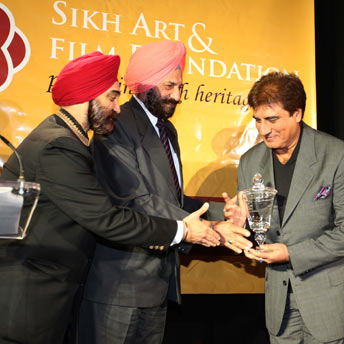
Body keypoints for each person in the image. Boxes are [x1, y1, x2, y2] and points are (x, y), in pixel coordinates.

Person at [0, 51, 223, 344]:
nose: (118, 108)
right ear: (87, 97)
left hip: (43, 288)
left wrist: (215, 216)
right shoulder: (58, 146)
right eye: (112, 97)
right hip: (31, 296)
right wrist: (182, 230)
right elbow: (107, 219)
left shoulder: (59, 138)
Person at [78, 41, 251, 344]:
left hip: (158, 283)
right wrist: (206, 228)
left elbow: (174, 199)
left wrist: (220, 215)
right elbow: (135, 199)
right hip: (119, 284)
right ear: (144, 83)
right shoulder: (116, 124)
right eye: (169, 85)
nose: (178, 95)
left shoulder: (167, 130)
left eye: (181, 86)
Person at [226, 72, 344, 343]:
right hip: (279, 308)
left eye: (272, 119)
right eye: (257, 120)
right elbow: (257, 232)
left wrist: (291, 253)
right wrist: (240, 226)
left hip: (329, 303)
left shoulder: (339, 156)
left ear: (297, 113)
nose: (263, 130)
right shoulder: (249, 162)